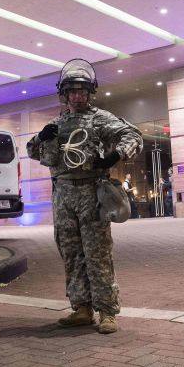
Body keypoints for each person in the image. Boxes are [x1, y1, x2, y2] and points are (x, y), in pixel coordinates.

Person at [27, 59, 143, 334]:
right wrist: (42, 138)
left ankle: (106, 312)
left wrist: (115, 155)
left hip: (91, 191)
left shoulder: (99, 118)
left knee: (97, 252)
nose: (77, 96)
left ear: (90, 93)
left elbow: (132, 135)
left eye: (82, 91)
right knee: (71, 252)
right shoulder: (55, 123)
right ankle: (81, 308)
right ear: (64, 94)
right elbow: (32, 151)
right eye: (72, 91)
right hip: (63, 193)